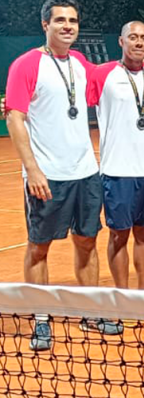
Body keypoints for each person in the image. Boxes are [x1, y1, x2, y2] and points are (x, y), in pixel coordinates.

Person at [5, 0, 119, 350]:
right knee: (39, 247)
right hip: (47, 175)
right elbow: (14, 117)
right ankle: (41, 318)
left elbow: (111, 74)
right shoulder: (26, 64)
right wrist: (33, 169)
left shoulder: (80, 63)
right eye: (60, 20)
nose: (68, 26)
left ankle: (89, 311)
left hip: (85, 172)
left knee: (87, 241)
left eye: (73, 20)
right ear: (46, 25)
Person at [86, 21, 144, 291]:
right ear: (121, 41)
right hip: (118, 171)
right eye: (132, 37)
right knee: (118, 236)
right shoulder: (102, 74)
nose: (139, 42)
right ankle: (122, 297)